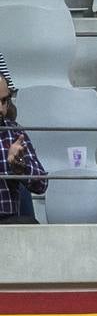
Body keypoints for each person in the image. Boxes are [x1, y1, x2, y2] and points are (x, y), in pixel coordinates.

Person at [0, 76, 47, 224]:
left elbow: (42, 185)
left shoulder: (14, 133)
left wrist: (21, 168)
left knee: (30, 226)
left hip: (7, 222)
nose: (1, 109)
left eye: (4, 101)